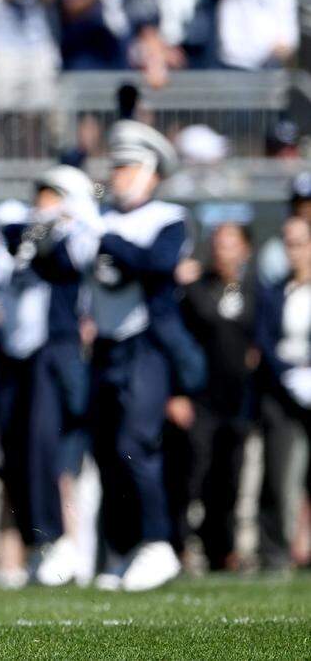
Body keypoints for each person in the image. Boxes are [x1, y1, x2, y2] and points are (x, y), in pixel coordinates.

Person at [63, 118, 195, 591]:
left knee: (137, 442)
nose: (116, 174)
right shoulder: (99, 220)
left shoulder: (167, 218)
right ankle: (126, 547)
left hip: (147, 345)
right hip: (105, 346)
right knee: (106, 448)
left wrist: (107, 237)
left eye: (127, 166)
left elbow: (158, 264)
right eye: (114, 165)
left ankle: (159, 543)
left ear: (151, 171)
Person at [0, 166, 94, 586]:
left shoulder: (74, 237)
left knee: (49, 451)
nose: (41, 204)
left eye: (51, 195)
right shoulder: (24, 234)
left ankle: (62, 542)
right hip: (21, 359)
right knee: (20, 451)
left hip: (56, 357)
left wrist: (47, 226)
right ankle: (40, 544)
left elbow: (62, 260)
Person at [173, 223, 256, 571]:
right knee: (193, 474)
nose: (223, 251)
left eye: (231, 244)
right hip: (199, 399)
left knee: (229, 478)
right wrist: (176, 393)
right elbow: (184, 338)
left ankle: (221, 551)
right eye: (218, 244)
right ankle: (178, 547)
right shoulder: (196, 288)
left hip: (238, 400)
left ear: (245, 250)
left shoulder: (255, 291)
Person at [255, 216, 311, 572]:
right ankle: (274, 552)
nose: (294, 252)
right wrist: (288, 374)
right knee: (277, 473)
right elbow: (264, 338)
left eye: (300, 243)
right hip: (283, 388)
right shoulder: (275, 290)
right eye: (288, 244)